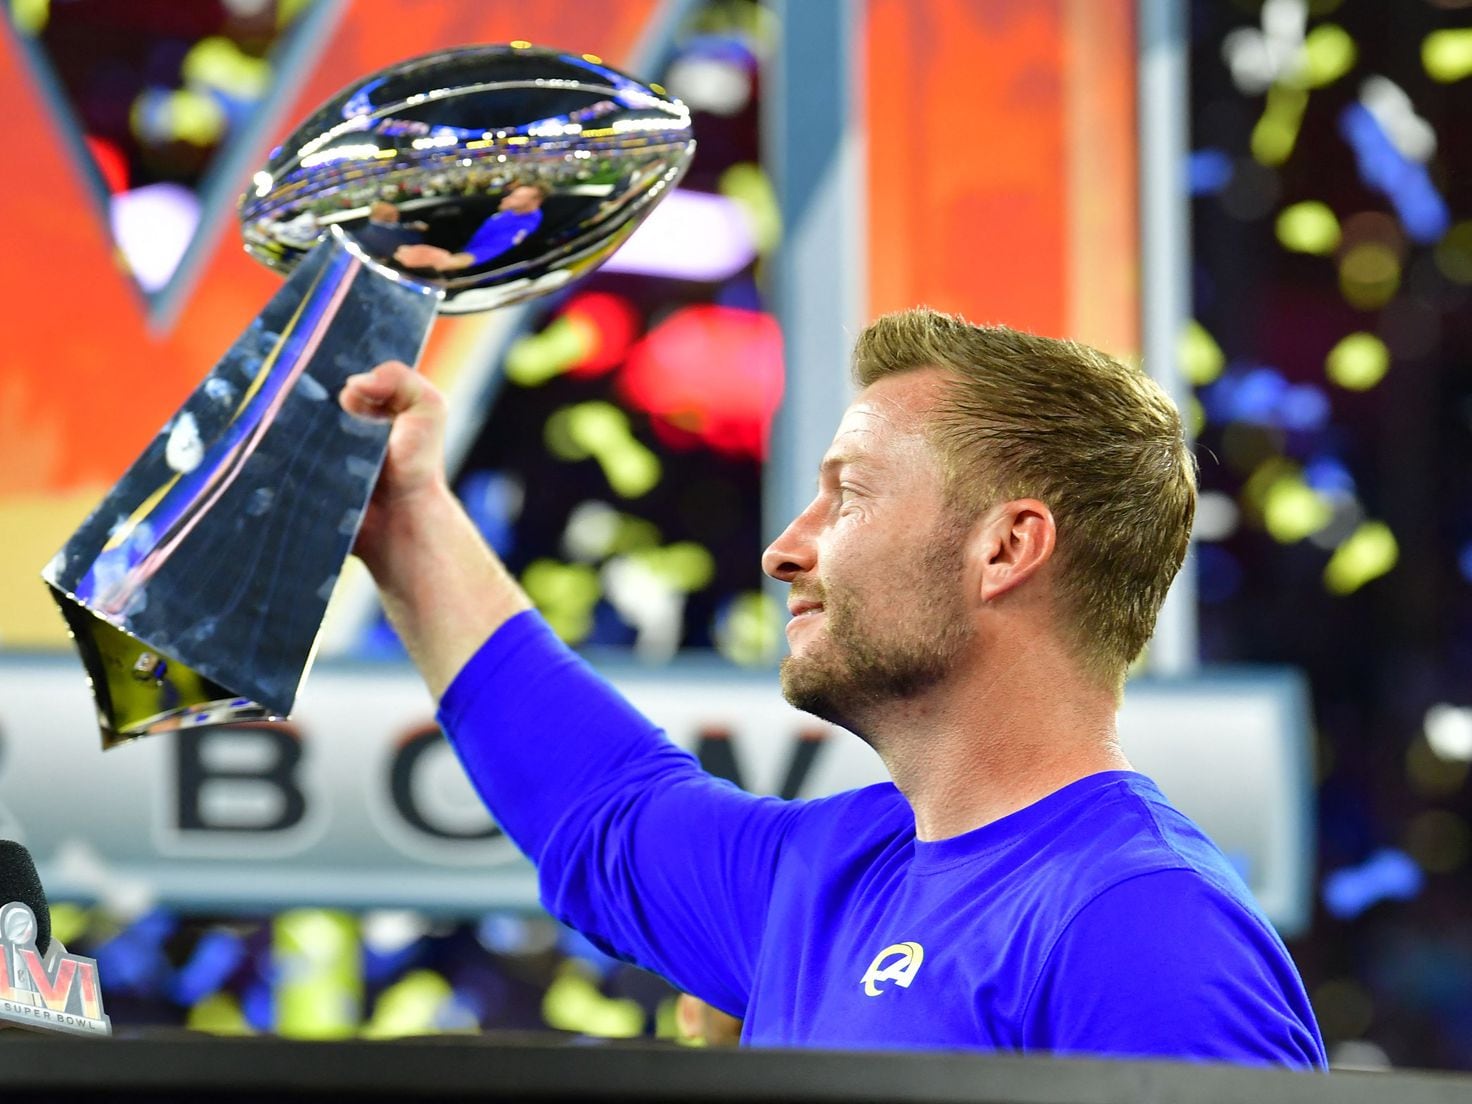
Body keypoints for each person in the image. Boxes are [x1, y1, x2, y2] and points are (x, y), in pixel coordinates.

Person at [339, 308, 1327, 1066]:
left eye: (846, 495)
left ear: (1005, 547)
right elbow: (601, 811)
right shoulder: (825, 876)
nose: (784, 549)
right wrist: (403, 517)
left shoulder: (1142, 926)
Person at [392, 183, 546, 273]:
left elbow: (493, 249)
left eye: (516, 197)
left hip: (474, 264)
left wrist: (451, 262)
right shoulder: (512, 211)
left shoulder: (525, 225)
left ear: (534, 202)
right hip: (468, 245)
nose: (508, 198)